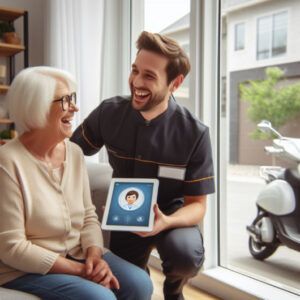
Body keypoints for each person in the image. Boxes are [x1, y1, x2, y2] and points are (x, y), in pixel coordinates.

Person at [71, 31, 215, 300]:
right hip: (125, 211)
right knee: (131, 285)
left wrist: (166, 221)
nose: (136, 82)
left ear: (175, 82)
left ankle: (174, 290)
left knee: (185, 256)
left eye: (149, 76)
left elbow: (198, 205)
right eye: (135, 71)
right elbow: (69, 154)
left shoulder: (195, 133)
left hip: (172, 212)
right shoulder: (109, 113)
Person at [0, 66, 153, 300]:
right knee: (100, 297)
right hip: (25, 268)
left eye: (73, 98)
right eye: (65, 100)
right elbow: (13, 248)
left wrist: (94, 255)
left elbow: (88, 216)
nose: (74, 107)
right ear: (36, 106)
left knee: (140, 283)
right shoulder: (7, 163)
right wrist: (81, 271)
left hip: (78, 253)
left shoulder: (73, 153)